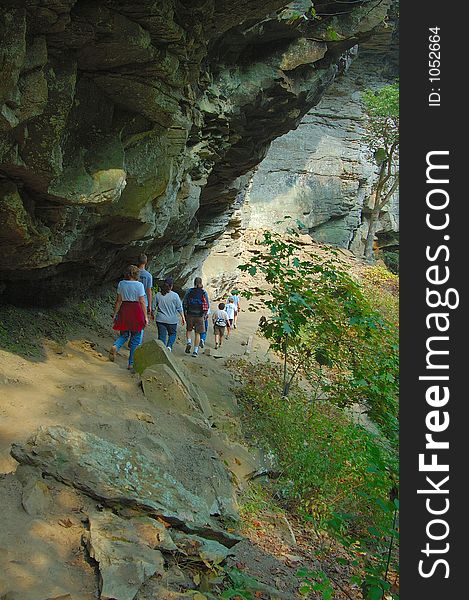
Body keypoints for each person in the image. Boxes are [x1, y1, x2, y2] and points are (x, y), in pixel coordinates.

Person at [110, 265, 148, 370]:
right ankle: (131, 363)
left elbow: (118, 301)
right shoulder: (139, 285)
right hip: (136, 311)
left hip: (124, 310)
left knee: (124, 334)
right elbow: (142, 301)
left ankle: (116, 346)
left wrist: (115, 314)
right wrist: (145, 317)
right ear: (136, 274)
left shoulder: (121, 284)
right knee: (136, 338)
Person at [153, 277, 185, 351]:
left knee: (161, 337)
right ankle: (169, 346)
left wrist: (152, 314)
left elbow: (153, 307)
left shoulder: (158, 295)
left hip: (160, 319)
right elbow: (179, 308)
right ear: (171, 286)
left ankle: (162, 350)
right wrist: (183, 317)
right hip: (172, 320)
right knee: (172, 334)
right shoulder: (175, 296)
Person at [182, 277, 209, 357]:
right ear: (201, 283)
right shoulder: (204, 292)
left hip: (190, 314)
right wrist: (204, 314)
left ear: (194, 283)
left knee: (189, 330)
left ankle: (189, 342)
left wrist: (185, 313)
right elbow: (207, 305)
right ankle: (195, 351)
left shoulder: (189, 291)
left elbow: (184, 303)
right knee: (197, 333)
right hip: (199, 315)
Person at [137, 253, 153, 322]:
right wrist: (150, 305)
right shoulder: (148, 276)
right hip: (144, 301)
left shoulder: (133, 273)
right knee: (141, 322)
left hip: (132, 300)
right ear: (146, 261)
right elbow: (149, 291)